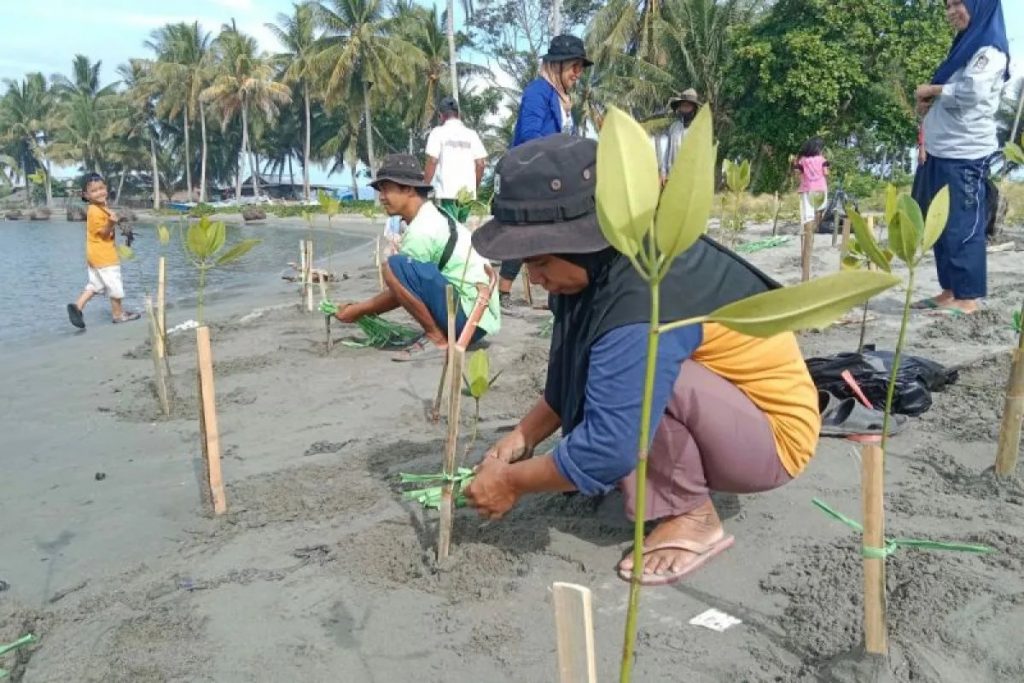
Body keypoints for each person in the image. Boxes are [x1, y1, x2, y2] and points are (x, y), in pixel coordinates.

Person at [463, 135, 821, 585]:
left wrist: (512, 484)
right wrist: (521, 437)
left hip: (772, 440)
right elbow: (566, 374)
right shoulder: (592, 270)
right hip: (720, 411)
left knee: (639, 377)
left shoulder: (644, 291)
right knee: (619, 376)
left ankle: (693, 517)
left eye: (539, 261)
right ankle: (669, 488)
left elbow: (612, 444)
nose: (536, 278)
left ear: (581, 243)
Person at [319, 154, 500, 361]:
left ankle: (436, 339)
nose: (381, 196)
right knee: (400, 269)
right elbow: (413, 286)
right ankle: (439, 333)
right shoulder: (434, 215)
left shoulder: (422, 230)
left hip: (467, 321)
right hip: (478, 319)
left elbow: (401, 289)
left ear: (409, 189)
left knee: (393, 267)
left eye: (387, 188)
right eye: (380, 190)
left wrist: (358, 311)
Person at [911, 0, 1009, 316]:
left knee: (962, 225)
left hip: (965, 154)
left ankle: (968, 297)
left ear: (979, 6)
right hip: (940, 151)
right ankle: (949, 290)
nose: (951, 10)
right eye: (948, 4)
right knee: (936, 223)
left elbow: (973, 92)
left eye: (959, 3)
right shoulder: (964, 48)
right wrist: (929, 103)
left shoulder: (989, 50)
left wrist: (934, 90)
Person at [498, 34, 593, 313]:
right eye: (574, 67)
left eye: (581, 68)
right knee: (530, 239)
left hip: (556, 184)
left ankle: (557, 298)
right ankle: (504, 293)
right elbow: (529, 137)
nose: (578, 74)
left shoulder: (562, 99)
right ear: (558, 65)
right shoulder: (537, 92)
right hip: (536, 182)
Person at [67, 173, 140, 329]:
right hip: (104, 256)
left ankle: (77, 306)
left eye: (101, 188)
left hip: (94, 256)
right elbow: (103, 233)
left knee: (96, 285)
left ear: (106, 188)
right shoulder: (94, 211)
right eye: (94, 191)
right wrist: (111, 223)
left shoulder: (100, 207)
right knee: (115, 285)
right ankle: (118, 315)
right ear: (86, 195)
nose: (99, 192)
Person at [423, 96, 488, 224]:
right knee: (461, 228)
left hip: (448, 192)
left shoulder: (438, 133)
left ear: (441, 116)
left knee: (451, 230)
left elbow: (433, 161)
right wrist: (475, 186)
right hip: (467, 193)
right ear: (459, 114)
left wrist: (424, 187)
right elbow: (481, 164)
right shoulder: (471, 134)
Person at [660, 89, 701, 185]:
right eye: (683, 106)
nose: (684, 109)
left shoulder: (698, 129)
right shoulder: (674, 127)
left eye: (687, 106)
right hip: (672, 177)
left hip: (691, 179)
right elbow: (667, 152)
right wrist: (663, 172)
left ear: (694, 108)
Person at [793, 137, 830, 227]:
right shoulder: (822, 160)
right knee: (819, 209)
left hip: (807, 188)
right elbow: (826, 173)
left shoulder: (802, 160)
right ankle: (816, 227)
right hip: (820, 188)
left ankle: (808, 232)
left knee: (808, 214)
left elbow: (797, 173)